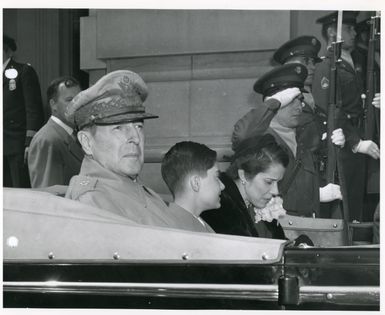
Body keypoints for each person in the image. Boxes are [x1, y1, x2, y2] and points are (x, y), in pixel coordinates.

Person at [65, 70, 196, 229]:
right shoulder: (93, 201)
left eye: (138, 126)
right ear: (86, 142)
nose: (135, 137)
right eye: (118, 128)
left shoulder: (128, 187)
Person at [232, 63, 343, 218]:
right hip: (275, 230)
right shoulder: (260, 140)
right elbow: (241, 135)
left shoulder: (303, 137)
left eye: (301, 99)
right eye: (293, 100)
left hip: (307, 227)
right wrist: (273, 102)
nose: (300, 106)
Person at [312, 11, 380, 222]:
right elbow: (330, 108)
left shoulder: (363, 60)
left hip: (370, 136)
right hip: (346, 142)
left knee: (367, 200)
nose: (354, 32)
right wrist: (356, 142)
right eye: (348, 28)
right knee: (348, 204)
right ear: (333, 32)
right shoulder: (327, 67)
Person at [273, 35, 345, 213]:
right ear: (289, 66)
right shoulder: (283, 106)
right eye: (306, 61)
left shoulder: (312, 102)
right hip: (295, 195)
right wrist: (316, 193)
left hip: (316, 183)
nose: (313, 67)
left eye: (314, 62)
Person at [201, 134, 288, 239]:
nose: (276, 191)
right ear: (243, 176)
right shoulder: (222, 207)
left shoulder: (256, 200)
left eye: (278, 182)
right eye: (269, 182)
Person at [3, 34, 44, 187]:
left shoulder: (23, 71)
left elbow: (33, 109)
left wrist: (29, 141)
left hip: (16, 143)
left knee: (18, 189)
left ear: (9, 52)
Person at [28, 76, 84, 188]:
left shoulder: (75, 133)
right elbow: (49, 196)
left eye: (79, 99)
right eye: (69, 100)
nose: (76, 105)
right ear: (53, 104)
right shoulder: (47, 140)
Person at [161, 141, 225, 233]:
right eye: (216, 177)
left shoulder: (195, 222)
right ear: (196, 183)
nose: (222, 186)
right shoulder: (179, 232)